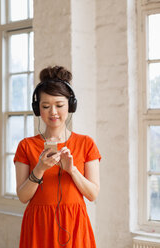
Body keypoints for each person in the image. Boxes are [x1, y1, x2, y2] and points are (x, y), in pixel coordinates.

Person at [14, 66, 101, 248]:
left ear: (70, 106)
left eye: (59, 105)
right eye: (46, 106)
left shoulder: (86, 143)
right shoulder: (26, 145)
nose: (53, 112)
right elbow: (23, 196)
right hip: (38, 224)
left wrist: (72, 170)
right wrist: (40, 169)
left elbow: (92, 194)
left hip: (74, 222)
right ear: (38, 109)